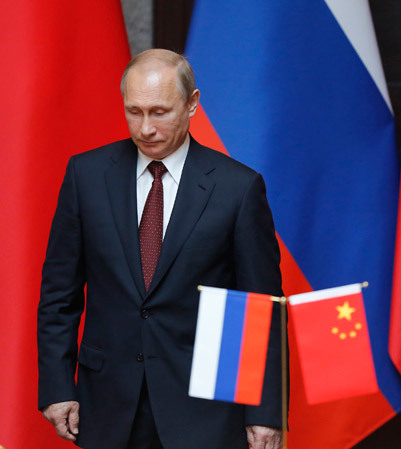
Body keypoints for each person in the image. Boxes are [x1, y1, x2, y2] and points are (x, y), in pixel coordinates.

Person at [38, 49, 284, 449]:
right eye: (134, 111)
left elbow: (259, 307)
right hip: (107, 404)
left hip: (204, 409)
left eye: (160, 111)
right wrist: (57, 386)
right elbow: (59, 296)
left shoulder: (237, 188)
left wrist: (263, 412)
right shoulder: (86, 175)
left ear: (192, 104)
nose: (145, 128)